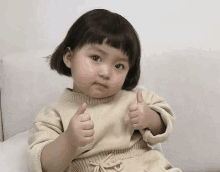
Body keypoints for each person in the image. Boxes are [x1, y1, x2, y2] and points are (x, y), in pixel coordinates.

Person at [27, 9, 182, 172]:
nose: (106, 73)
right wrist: (69, 140)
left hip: (147, 166)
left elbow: (165, 123)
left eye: (118, 66)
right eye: (96, 58)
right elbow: (43, 164)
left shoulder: (136, 98)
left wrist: (150, 118)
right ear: (69, 57)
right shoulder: (54, 114)